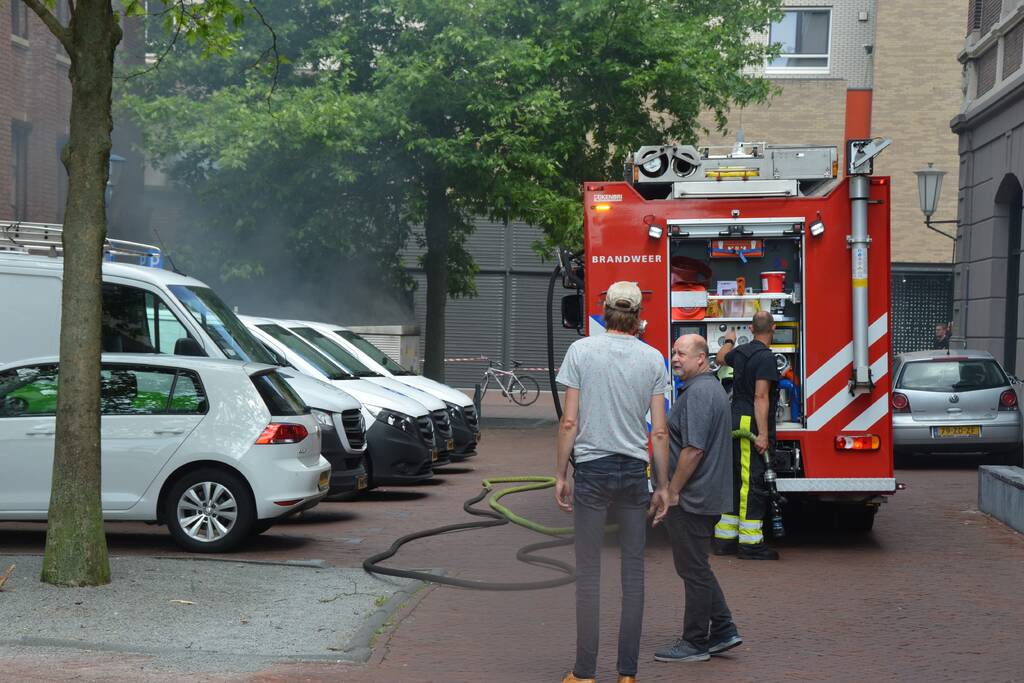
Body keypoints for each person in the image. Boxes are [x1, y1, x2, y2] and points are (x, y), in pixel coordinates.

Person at [555, 280, 672, 683]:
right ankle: (627, 674)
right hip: (633, 472)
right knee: (633, 575)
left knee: (588, 574)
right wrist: (663, 486)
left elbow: (569, 421)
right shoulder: (653, 359)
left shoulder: (581, 351)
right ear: (639, 316)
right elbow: (659, 432)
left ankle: (585, 673)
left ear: (606, 311)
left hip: (592, 469)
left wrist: (560, 474)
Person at [653, 334, 741, 664]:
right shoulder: (703, 389)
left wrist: (672, 491)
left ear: (701, 359)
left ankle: (695, 642)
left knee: (693, 571)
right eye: (673, 352)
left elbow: (693, 450)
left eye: (682, 354)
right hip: (700, 496)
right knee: (696, 566)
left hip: (693, 499)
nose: (675, 358)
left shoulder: (700, 393)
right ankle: (723, 630)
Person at [712, 310, 780, 560]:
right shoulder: (766, 358)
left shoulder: (740, 352)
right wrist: (762, 434)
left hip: (735, 417)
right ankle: (750, 544)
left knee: (735, 479)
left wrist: (729, 340)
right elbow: (760, 397)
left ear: (751, 329)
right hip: (750, 423)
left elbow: (720, 358)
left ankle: (725, 540)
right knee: (751, 482)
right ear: (773, 328)